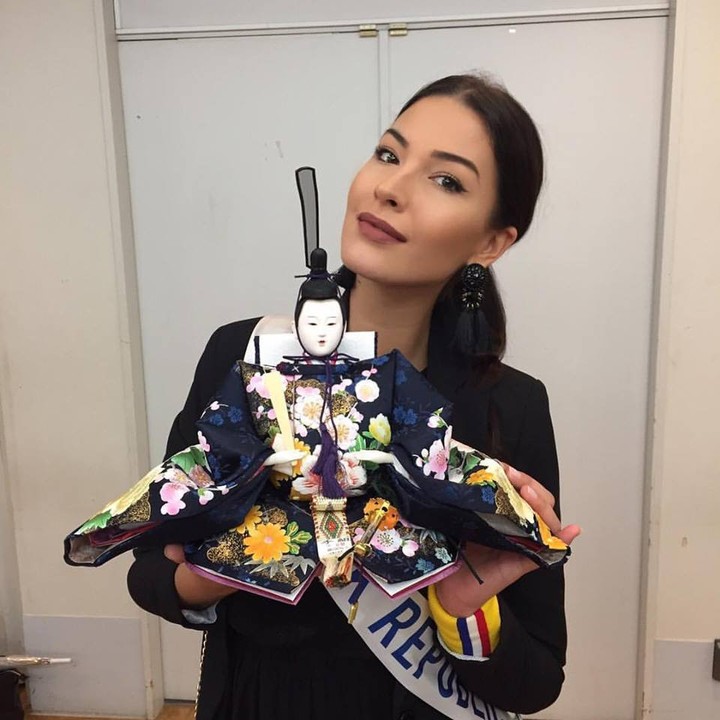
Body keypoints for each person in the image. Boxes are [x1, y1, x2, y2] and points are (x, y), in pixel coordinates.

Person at [127, 73, 581, 720]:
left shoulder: (508, 409)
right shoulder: (246, 355)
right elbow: (150, 570)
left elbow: (537, 683)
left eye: (446, 180)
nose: (390, 188)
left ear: (490, 242)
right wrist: (217, 567)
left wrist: (462, 606)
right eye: (389, 154)